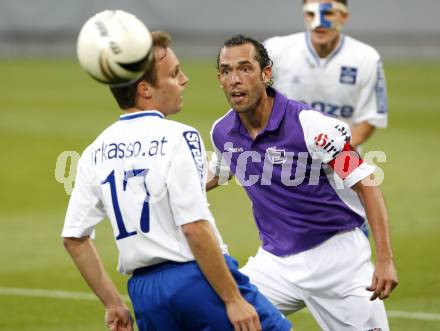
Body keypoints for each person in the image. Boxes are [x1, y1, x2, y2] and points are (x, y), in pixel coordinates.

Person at [62, 31, 292, 331]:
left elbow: (74, 238)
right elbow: (193, 226)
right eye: (173, 74)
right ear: (145, 89)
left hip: (145, 294)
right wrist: (233, 298)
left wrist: (113, 304)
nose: (184, 79)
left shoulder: (94, 152)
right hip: (196, 279)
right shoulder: (180, 136)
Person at [209, 34, 398, 331]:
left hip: (338, 263)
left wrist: (385, 259)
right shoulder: (222, 132)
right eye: (226, 70)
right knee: (221, 316)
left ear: (266, 73)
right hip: (275, 264)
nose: (235, 79)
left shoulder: (313, 126)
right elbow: (218, 172)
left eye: (245, 68)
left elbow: (366, 183)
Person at [264, 0, 387, 149]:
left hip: (342, 155)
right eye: (311, 14)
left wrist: (332, 153)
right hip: (284, 156)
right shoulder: (274, 50)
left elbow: (369, 119)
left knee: (367, 174)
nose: (318, 23)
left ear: (344, 16)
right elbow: (254, 102)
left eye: (327, 13)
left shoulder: (367, 58)